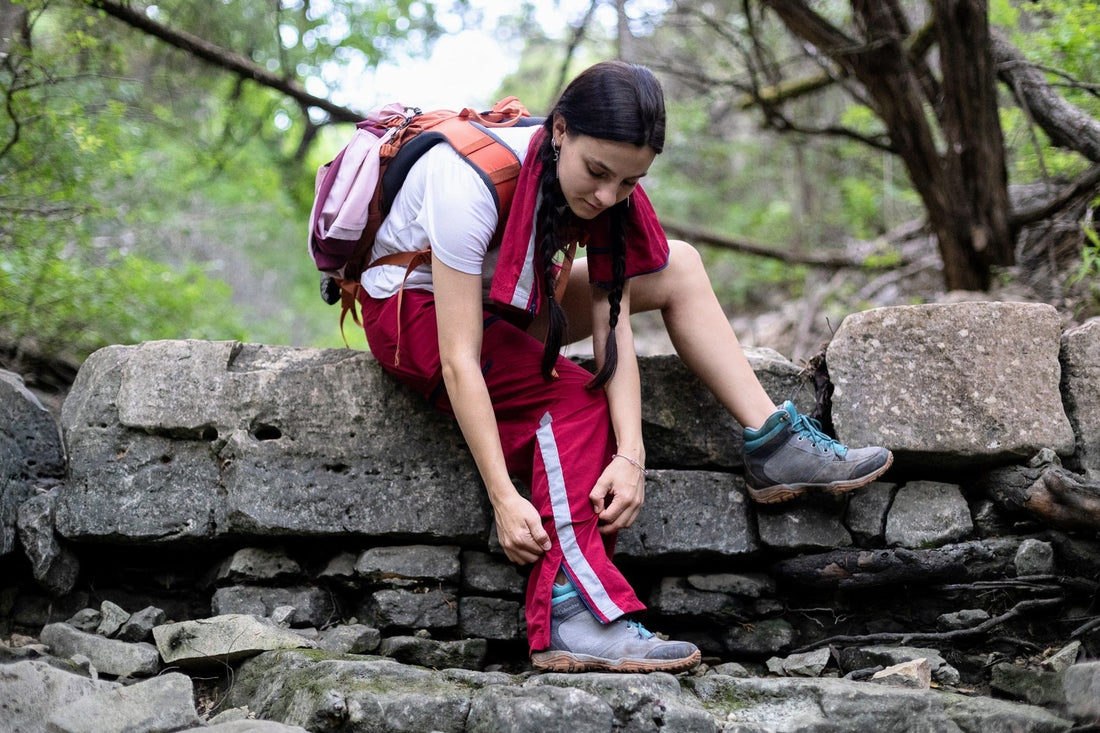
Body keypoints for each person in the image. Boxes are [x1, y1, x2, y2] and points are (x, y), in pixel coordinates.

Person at [357, 60, 893, 673]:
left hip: (511, 295)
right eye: (598, 173)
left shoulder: (608, 187)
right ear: (559, 131)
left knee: (682, 264)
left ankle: (774, 445)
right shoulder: (465, 183)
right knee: (573, 401)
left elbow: (616, 322)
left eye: (629, 182)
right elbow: (459, 361)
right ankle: (573, 612)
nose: (607, 197)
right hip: (415, 308)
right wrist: (504, 497)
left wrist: (632, 455)